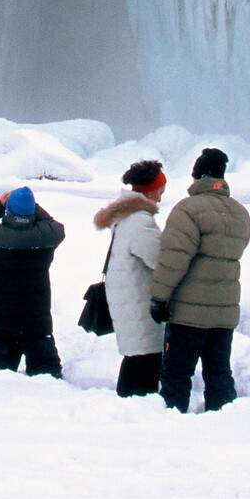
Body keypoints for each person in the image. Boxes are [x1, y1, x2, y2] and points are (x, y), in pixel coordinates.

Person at [149, 148, 250, 412]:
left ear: (199, 176)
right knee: (219, 374)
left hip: (188, 316)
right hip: (224, 315)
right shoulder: (240, 213)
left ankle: (173, 425)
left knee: (176, 375)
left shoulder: (188, 210)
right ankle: (223, 424)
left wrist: (159, 298)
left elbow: (174, 259)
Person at [0, 185, 66, 377]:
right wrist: (33, 207)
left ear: (7, 212)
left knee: (1, 384)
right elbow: (56, 226)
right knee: (49, 382)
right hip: (36, 323)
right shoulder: (44, 239)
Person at [94, 159, 167, 398]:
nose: (161, 195)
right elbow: (160, 260)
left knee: (136, 358)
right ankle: (135, 414)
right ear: (151, 189)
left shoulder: (126, 215)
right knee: (145, 360)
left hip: (128, 296)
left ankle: (126, 405)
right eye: (160, 189)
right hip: (138, 301)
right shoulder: (140, 221)